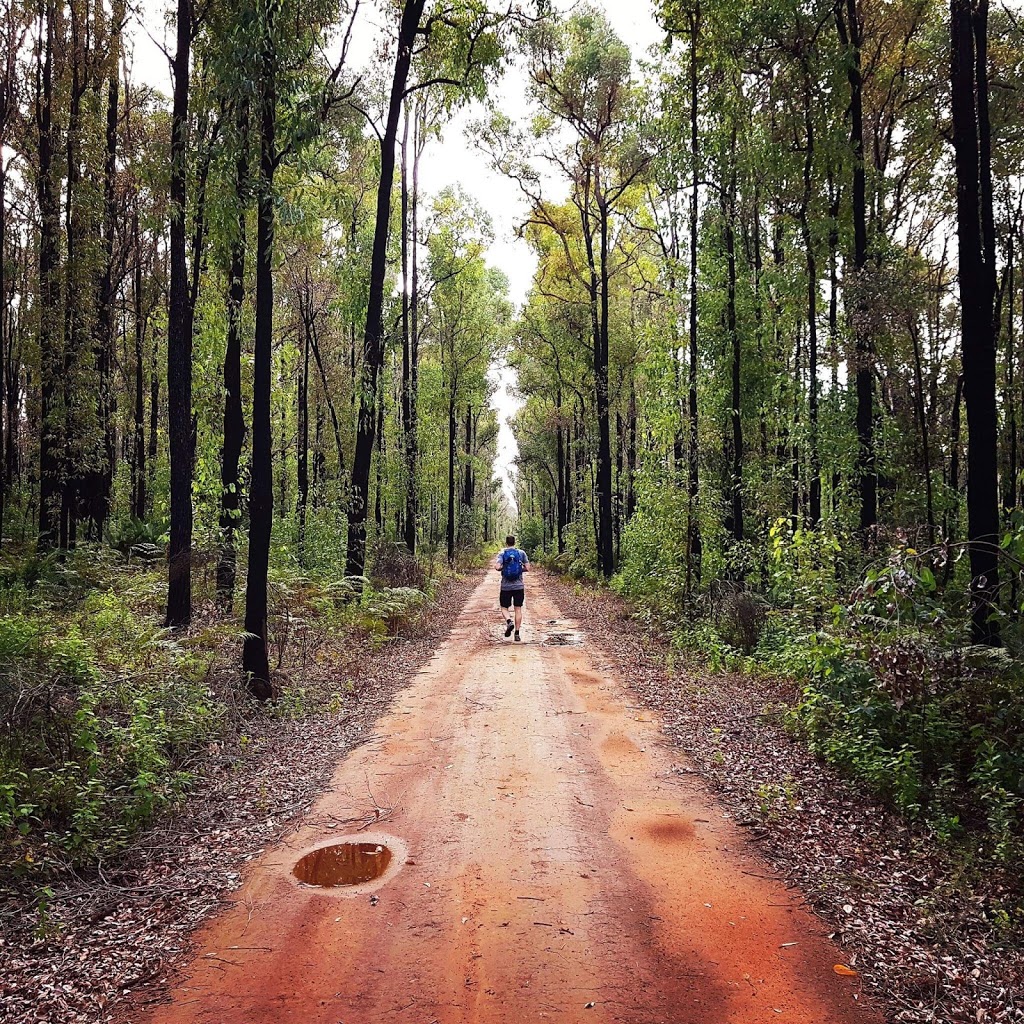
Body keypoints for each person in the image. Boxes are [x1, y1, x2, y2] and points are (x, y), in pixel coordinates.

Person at [495, 535, 529, 641]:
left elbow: (497, 567)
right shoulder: (521, 553)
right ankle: (517, 633)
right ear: (515, 542)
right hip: (519, 586)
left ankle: (509, 621)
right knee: (518, 609)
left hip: (506, 587)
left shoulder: (502, 554)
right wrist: (519, 569)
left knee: (504, 607)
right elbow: (527, 568)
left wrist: (503, 568)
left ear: (506, 543)